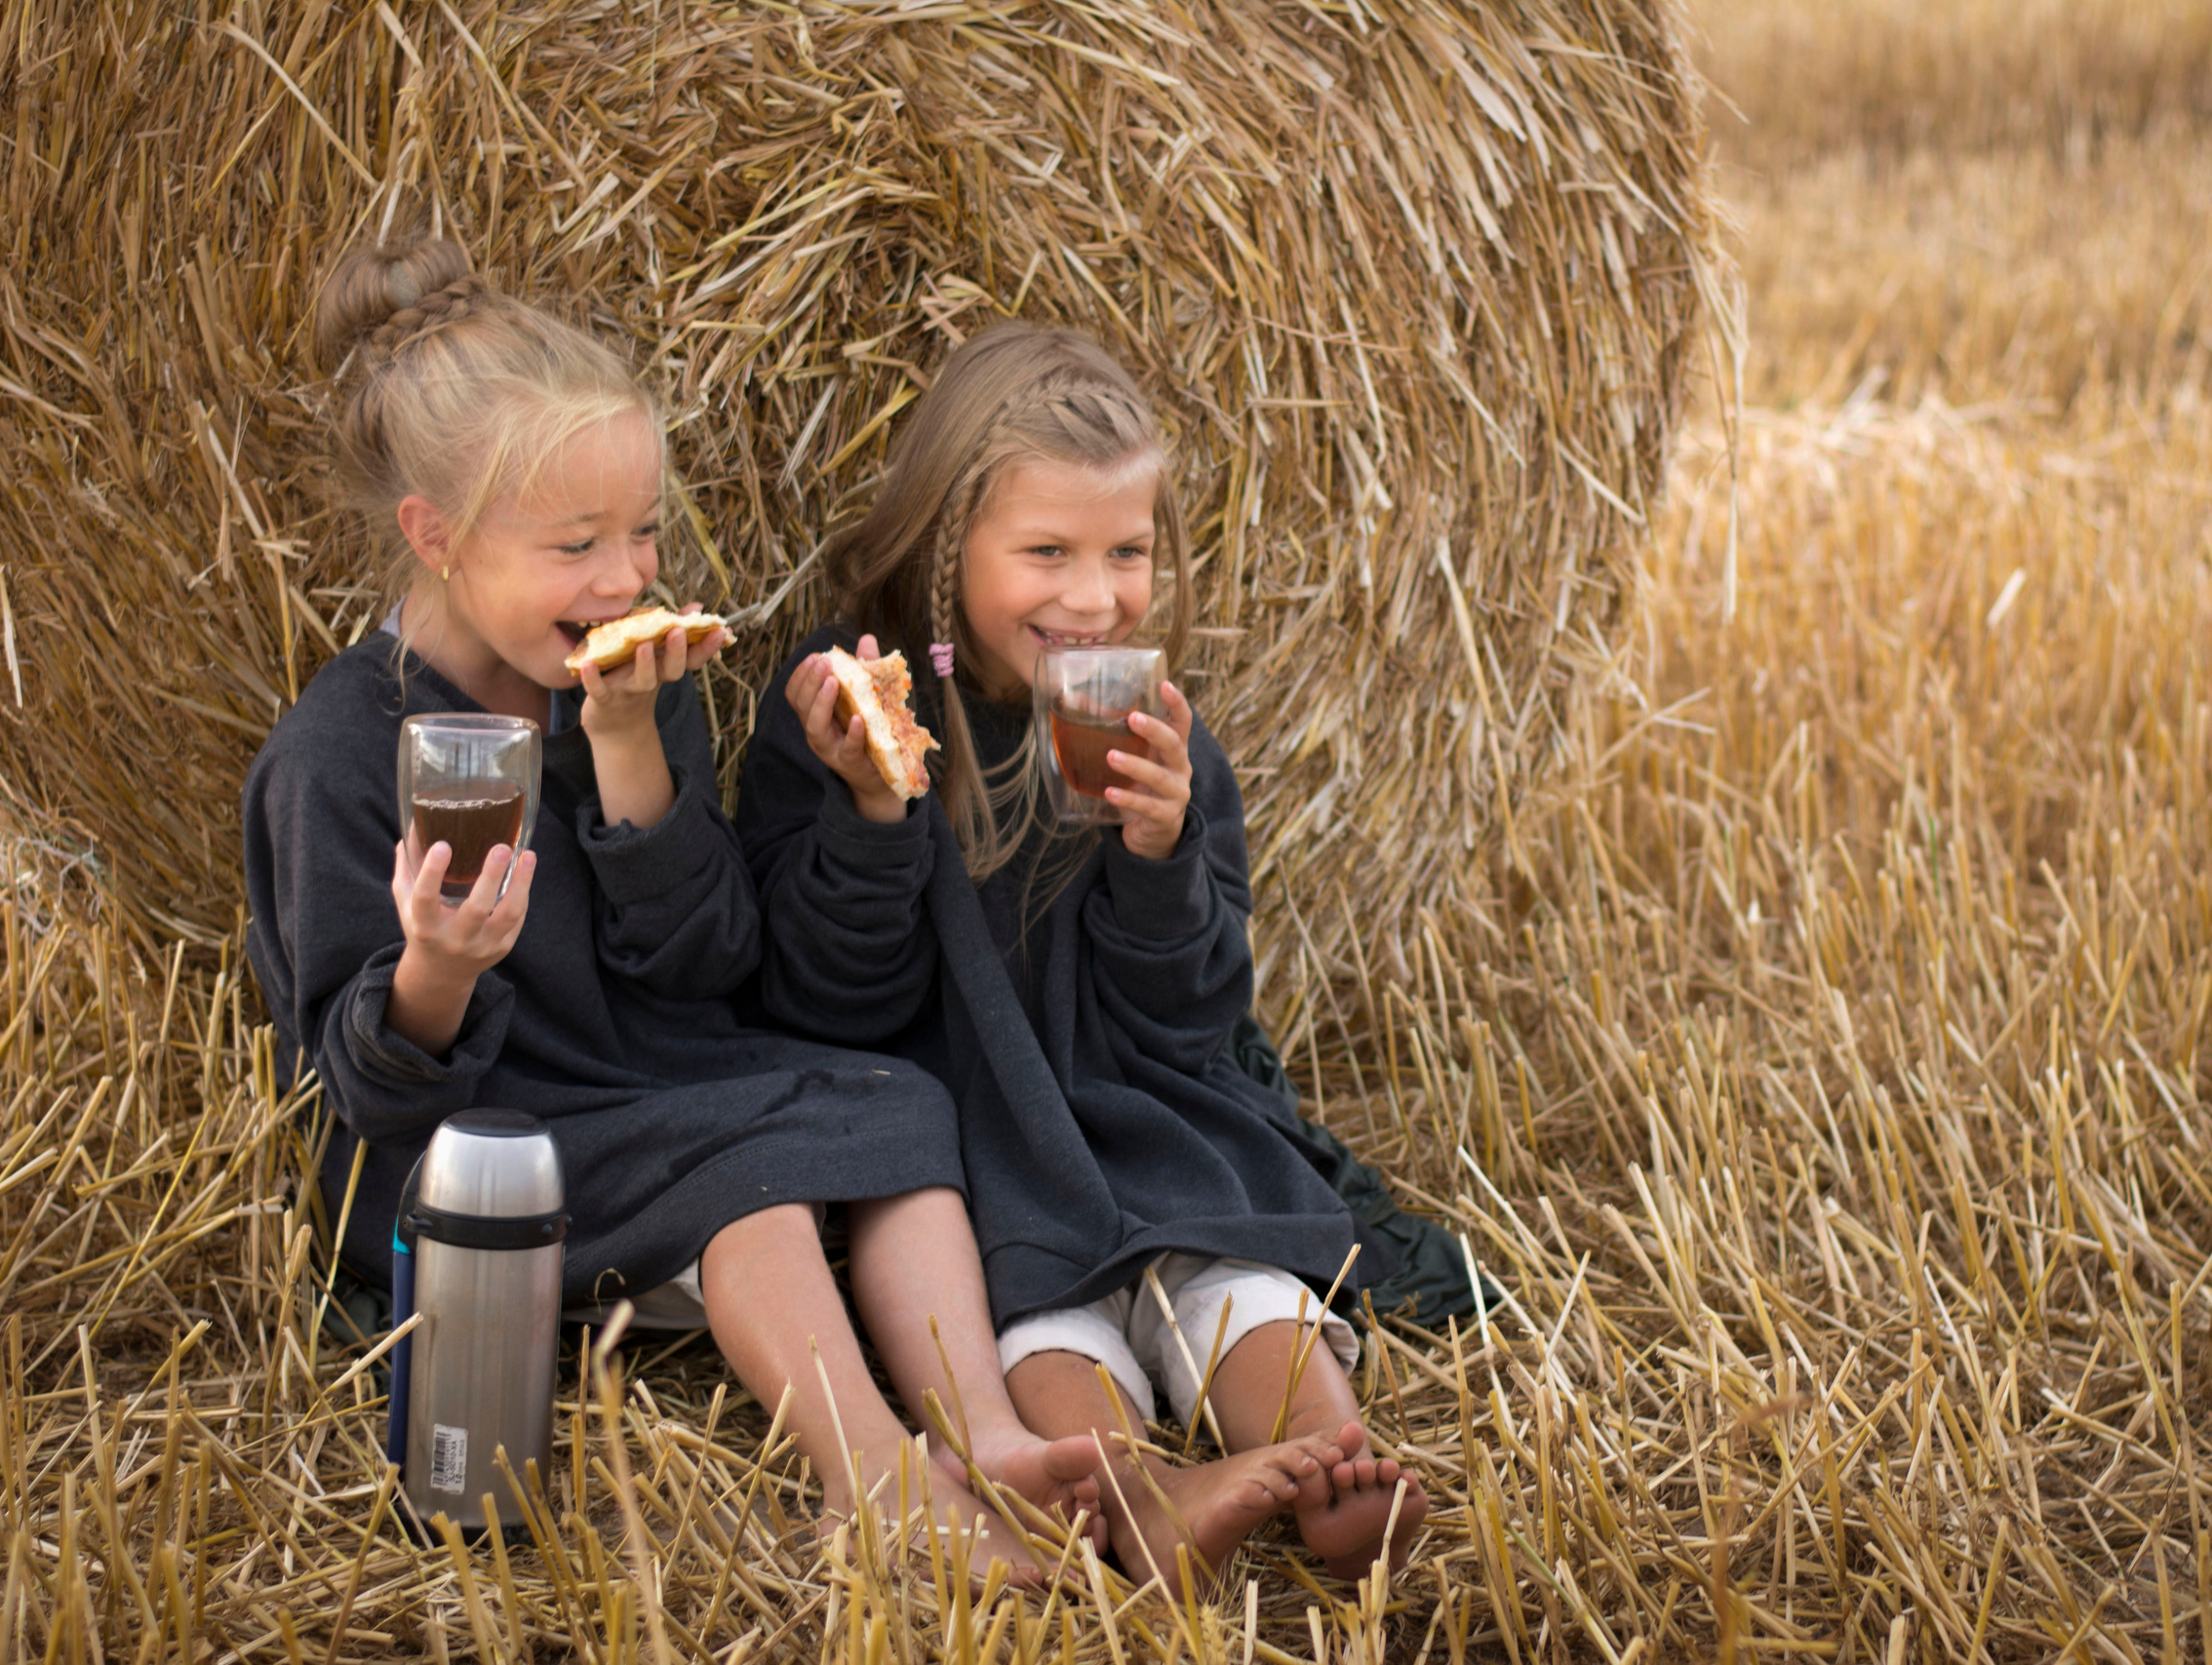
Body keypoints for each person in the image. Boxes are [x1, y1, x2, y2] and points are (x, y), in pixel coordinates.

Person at [242, 242, 1099, 1581]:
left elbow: (704, 964)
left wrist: (629, 747)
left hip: (654, 1077)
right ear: (437, 537)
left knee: (897, 1105)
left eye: (640, 531)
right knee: (744, 1183)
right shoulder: (338, 753)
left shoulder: (634, 680)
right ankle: (870, 1481)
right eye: (574, 545)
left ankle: (983, 1432)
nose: (623, 575)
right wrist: (436, 970)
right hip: (471, 1152)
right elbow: (365, 1094)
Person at [737, 322, 1429, 1584]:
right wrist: (875, 813)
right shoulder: (860, 708)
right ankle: (1141, 1492)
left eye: (1127, 553)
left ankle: (1331, 1457)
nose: (1094, 598)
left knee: (1237, 1270)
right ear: (951, 543)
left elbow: (1193, 1017)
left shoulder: (1163, 736)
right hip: (979, 1132)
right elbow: (830, 1001)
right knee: (1044, 1321)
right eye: (1046, 553)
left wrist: (1162, 854)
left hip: (1147, 1101)